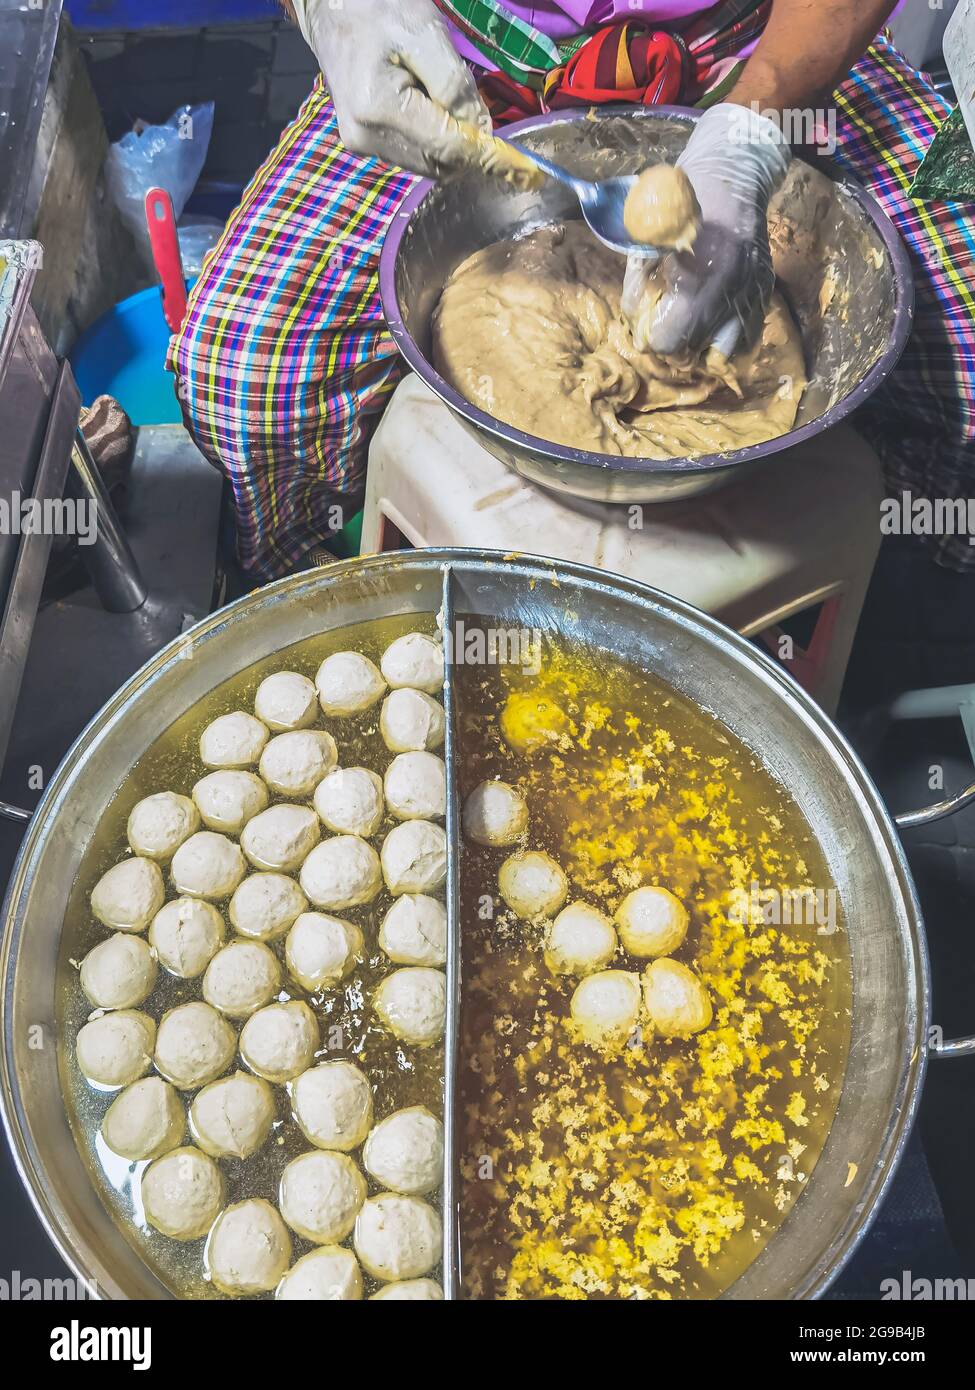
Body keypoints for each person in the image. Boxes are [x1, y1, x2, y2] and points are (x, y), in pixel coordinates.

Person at [168, 1, 975, 580]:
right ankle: (331, 590)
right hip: (438, 56)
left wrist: (753, 129)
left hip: (765, 42)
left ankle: (897, 566)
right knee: (238, 381)